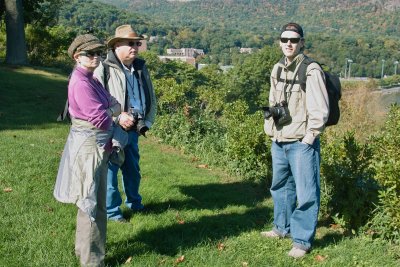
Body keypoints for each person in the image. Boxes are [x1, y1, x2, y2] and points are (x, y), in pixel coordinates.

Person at [262, 22, 329, 258]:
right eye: (284, 40)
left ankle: (301, 241)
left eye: (293, 40)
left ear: (302, 42)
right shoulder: (277, 68)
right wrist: (270, 129)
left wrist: (310, 138)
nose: (288, 44)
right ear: (280, 42)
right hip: (279, 139)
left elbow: (320, 109)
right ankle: (281, 228)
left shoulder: (311, 70)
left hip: (301, 141)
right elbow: (272, 101)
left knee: (306, 192)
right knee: (280, 187)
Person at [53, 34, 121, 266]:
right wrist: (112, 111)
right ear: (76, 56)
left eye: (98, 53)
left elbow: (114, 102)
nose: (95, 57)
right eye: (89, 54)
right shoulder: (81, 82)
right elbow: (102, 118)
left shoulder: (91, 79)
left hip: (97, 145)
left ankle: (85, 251)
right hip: (90, 147)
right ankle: (91, 260)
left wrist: (112, 108)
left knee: (94, 200)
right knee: (91, 203)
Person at [94, 25, 157, 222]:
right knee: (111, 172)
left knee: (133, 170)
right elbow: (95, 104)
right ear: (116, 46)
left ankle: (135, 204)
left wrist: (146, 121)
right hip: (112, 129)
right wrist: (118, 117)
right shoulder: (103, 69)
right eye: (130, 43)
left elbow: (151, 97)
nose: (135, 47)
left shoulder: (140, 67)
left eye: (137, 43)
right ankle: (113, 213)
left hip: (135, 129)